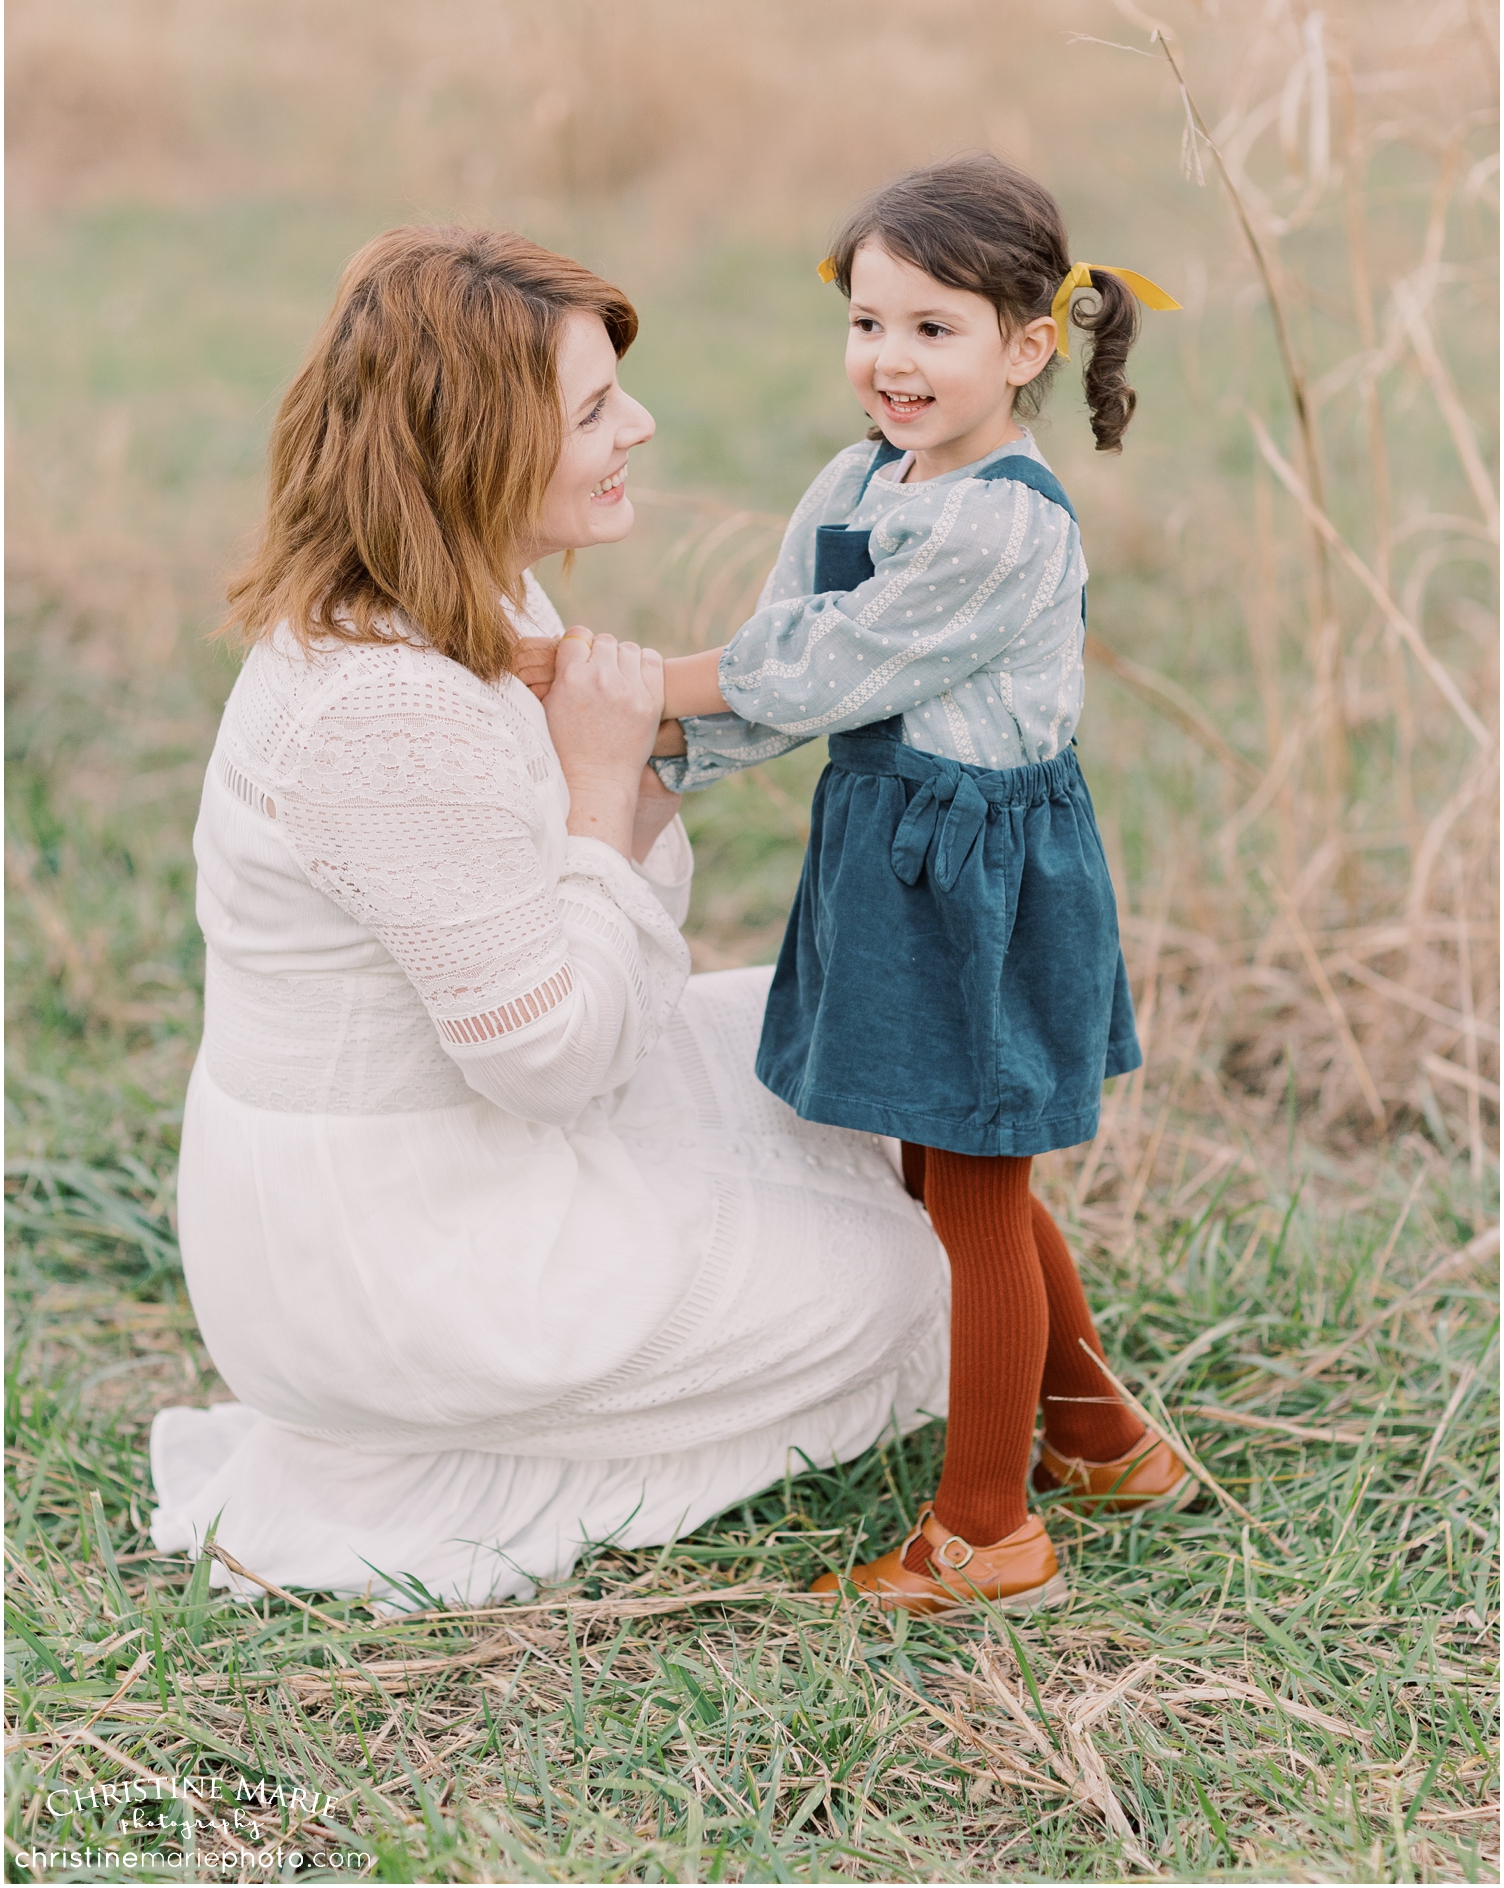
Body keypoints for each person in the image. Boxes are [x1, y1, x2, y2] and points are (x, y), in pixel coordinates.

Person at [148, 226, 951, 1609]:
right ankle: (440, 1452)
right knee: (899, 1280)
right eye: (592, 411)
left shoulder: (459, 597)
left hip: (456, 1139)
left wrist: (642, 754)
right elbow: (553, 1061)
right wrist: (598, 782)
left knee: (839, 1044)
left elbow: (577, 926)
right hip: (385, 1254)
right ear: (476, 446)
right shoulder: (384, 708)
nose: (637, 423)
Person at [645, 156, 1195, 1611]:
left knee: (976, 1180)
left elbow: (826, 667)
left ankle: (987, 1531)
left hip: (981, 871)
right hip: (887, 849)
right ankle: (1098, 1431)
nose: (889, 359)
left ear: (1026, 347)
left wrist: (626, 684)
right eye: (868, 321)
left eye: (932, 329)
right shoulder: (860, 478)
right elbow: (783, 663)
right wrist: (659, 758)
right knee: (939, 1162)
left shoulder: (1005, 524)